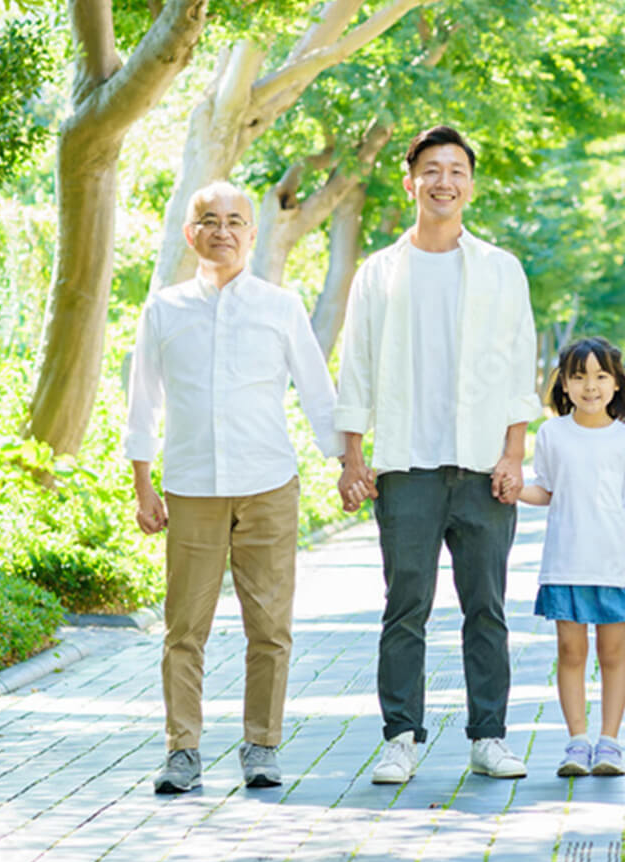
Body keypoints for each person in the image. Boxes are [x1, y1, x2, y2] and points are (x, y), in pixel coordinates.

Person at [333, 125, 538, 783]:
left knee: (487, 608)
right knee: (406, 606)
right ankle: (400, 736)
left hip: (481, 468)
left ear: (470, 184)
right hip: (406, 467)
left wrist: (514, 455)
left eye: (455, 170)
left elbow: (518, 367)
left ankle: (489, 737)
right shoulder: (379, 273)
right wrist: (352, 459)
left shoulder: (500, 269)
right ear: (410, 180)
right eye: (431, 169)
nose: (443, 181)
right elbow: (357, 367)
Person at [125, 181, 343, 794]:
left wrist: (346, 464)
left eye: (235, 221)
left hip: (269, 483)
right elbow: (142, 399)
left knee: (269, 628)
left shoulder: (281, 306)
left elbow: (317, 392)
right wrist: (144, 486)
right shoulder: (164, 309)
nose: (223, 231)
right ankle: (182, 752)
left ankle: (262, 746)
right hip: (192, 487)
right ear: (190, 234)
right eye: (209, 220)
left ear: (253, 233)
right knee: (183, 629)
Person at [517, 338, 625, 777]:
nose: (590, 386)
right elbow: (546, 489)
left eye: (600, 376)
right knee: (570, 651)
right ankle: (577, 741)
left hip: (614, 566)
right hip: (566, 562)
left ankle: (610, 742)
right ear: (564, 384)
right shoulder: (552, 433)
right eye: (578, 376)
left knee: (613, 652)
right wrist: (512, 488)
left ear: (617, 384)